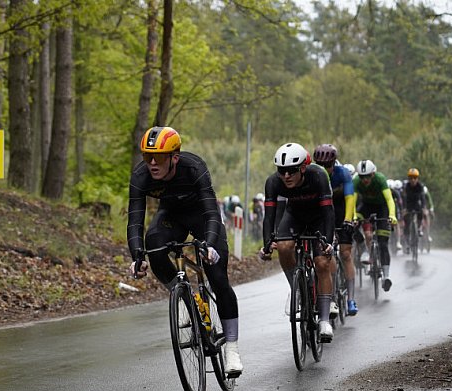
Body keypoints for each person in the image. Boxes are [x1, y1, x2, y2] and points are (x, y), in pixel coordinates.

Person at [127, 126, 243, 377]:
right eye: (147, 156)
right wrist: (137, 256)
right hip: (171, 217)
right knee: (154, 249)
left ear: (175, 157)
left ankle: (232, 349)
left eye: (158, 157)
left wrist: (210, 244)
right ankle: (185, 297)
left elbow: (212, 212)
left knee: (218, 277)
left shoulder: (193, 167)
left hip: (202, 217)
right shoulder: (140, 176)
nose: (152, 163)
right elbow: (135, 220)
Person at [258, 142, 336, 342]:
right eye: (282, 171)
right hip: (295, 216)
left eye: (291, 171)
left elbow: (328, 211)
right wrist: (267, 244)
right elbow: (269, 216)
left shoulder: (318, 175)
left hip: (319, 217)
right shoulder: (273, 182)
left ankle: (325, 320)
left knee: (322, 263)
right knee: (284, 246)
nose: (286, 176)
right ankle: (298, 288)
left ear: (302, 168)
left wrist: (328, 241)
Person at [313, 144, 358, 316]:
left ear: (334, 164)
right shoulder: (313, 174)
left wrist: (348, 219)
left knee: (346, 255)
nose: (324, 169)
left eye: (328, 166)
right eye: (321, 165)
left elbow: (350, 198)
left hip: (340, 213)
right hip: (323, 216)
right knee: (326, 255)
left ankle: (351, 299)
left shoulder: (343, 174)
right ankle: (328, 296)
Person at [353, 159, 398, 291]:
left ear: (373, 174)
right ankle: (364, 249)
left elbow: (389, 199)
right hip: (366, 206)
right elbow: (353, 201)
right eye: (362, 177)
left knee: (383, 243)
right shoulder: (356, 181)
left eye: (367, 176)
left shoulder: (380, 179)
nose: (365, 180)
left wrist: (392, 215)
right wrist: (354, 216)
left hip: (382, 207)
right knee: (351, 224)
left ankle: (386, 276)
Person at [401, 168, 427, 252]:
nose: (413, 180)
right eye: (411, 178)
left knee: (421, 212)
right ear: (408, 179)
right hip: (408, 204)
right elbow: (404, 198)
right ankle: (407, 241)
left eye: (415, 178)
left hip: (416, 204)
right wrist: (404, 209)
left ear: (417, 179)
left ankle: (419, 228)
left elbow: (423, 198)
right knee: (407, 221)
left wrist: (424, 208)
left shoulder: (420, 186)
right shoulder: (406, 186)